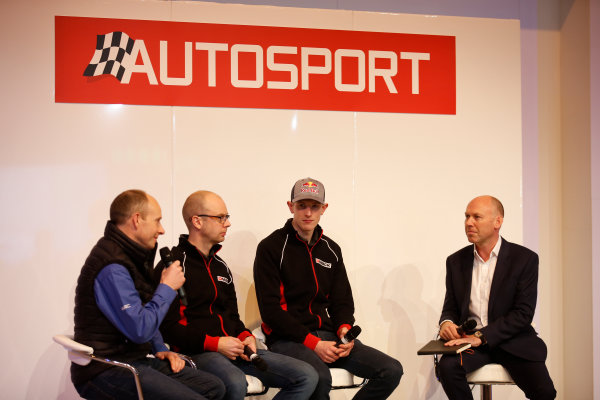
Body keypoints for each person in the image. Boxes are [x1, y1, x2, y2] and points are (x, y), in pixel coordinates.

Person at [156, 190, 318, 400]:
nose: (227, 223)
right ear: (197, 221)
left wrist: (245, 336)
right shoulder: (173, 266)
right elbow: (167, 328)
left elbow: (231, 317)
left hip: (234, 349)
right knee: (234, 382)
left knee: (306, 376)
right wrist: (215, 344)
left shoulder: (221, 267)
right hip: (197, 352)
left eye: (227, 217)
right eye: (220, 217)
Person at [253, 178, 403, 400]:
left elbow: (341, 300)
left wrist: (344, 330)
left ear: (324, 209)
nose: (308, 213)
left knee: (390, 370)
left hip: (328, 335)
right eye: (301, 205)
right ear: (290, 206)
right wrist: (314, 344)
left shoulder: (331, 249)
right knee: (320, 377)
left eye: (314, 207)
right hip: (287, 339)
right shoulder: (271, 247)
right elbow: (271, 311)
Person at [71, 189, 225, 400]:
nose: (161, 230)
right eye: (157, 221)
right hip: (106, 369)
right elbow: (139, 329)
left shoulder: (130, 256)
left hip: (136, 359)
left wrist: (160, 347)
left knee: (214, 387)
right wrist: (167, 287)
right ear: (136, 220)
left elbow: (141, 308)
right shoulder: (112, 266)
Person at [437, 195, 556, 400]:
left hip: (512, 340)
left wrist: (481, 337)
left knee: (545, 393)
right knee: (447, 368)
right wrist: (446, 323)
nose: (468, 223)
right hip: (469, 344)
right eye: (466, 216)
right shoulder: (455, 261)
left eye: (476, 217)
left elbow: (522, 314)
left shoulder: (524, 259)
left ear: (497, 222)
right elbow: (451, 307)